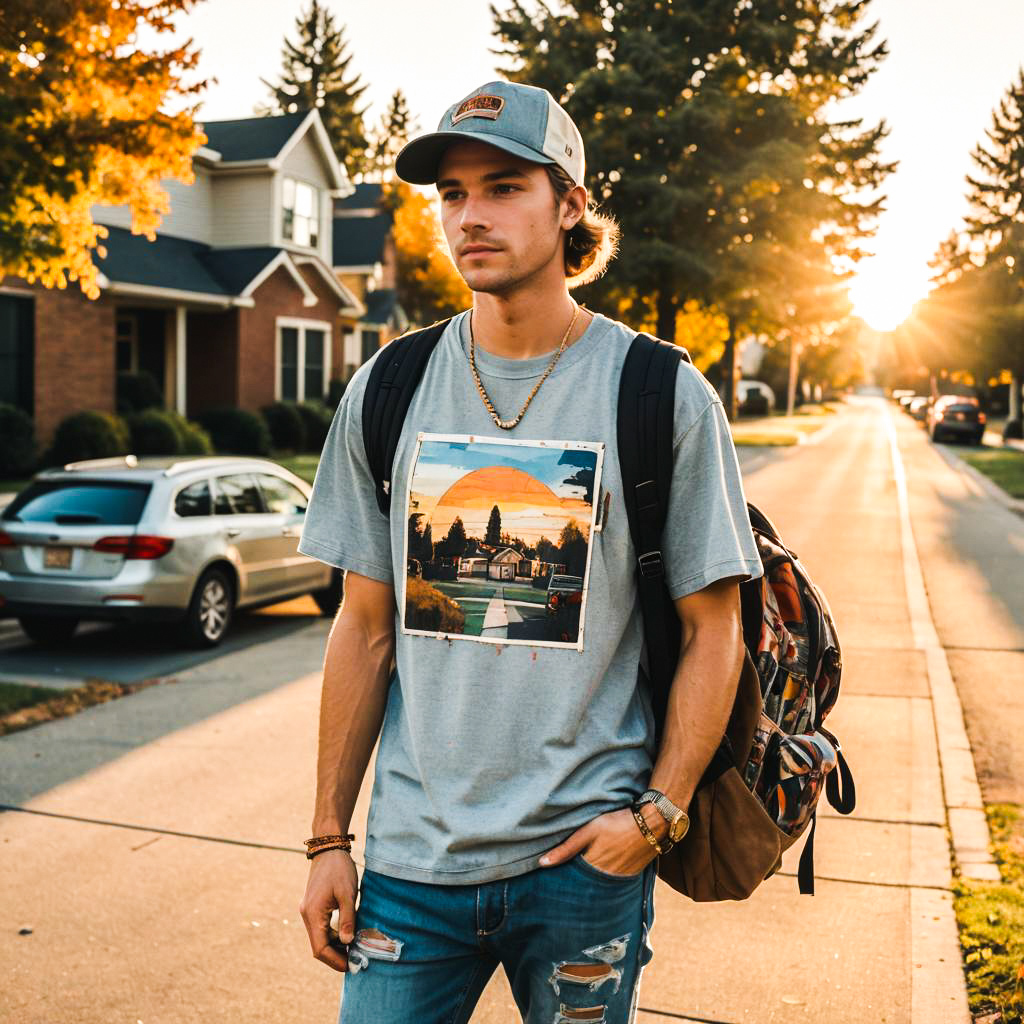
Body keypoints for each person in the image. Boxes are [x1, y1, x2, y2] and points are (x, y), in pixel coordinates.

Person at [297, 80, 762, 1023]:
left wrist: (657, 817)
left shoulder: (659, 393)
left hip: (581, 870)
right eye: (453, 194)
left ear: (572, 205)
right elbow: (364, 629)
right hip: (406, 873)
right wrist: (325, 841)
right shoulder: (388, 386)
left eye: (504, 187)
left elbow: (717, 632)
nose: (471, 216)